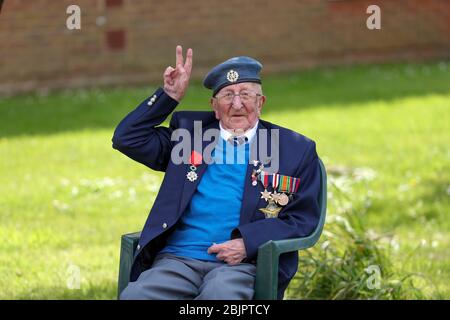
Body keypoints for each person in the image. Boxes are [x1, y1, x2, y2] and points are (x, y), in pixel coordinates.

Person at [113, 45, 321, 300]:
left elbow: (303, 219)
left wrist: (249, 243)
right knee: (136, 297)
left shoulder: (294, 149)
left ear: (261, 102)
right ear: (214, 105)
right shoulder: (189, 136)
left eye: (246, 94)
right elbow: (127, 138)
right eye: (227, 95)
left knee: (219, 296)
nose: (237, 104)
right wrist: (168, 96)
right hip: (178, 260)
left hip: (241, 265)